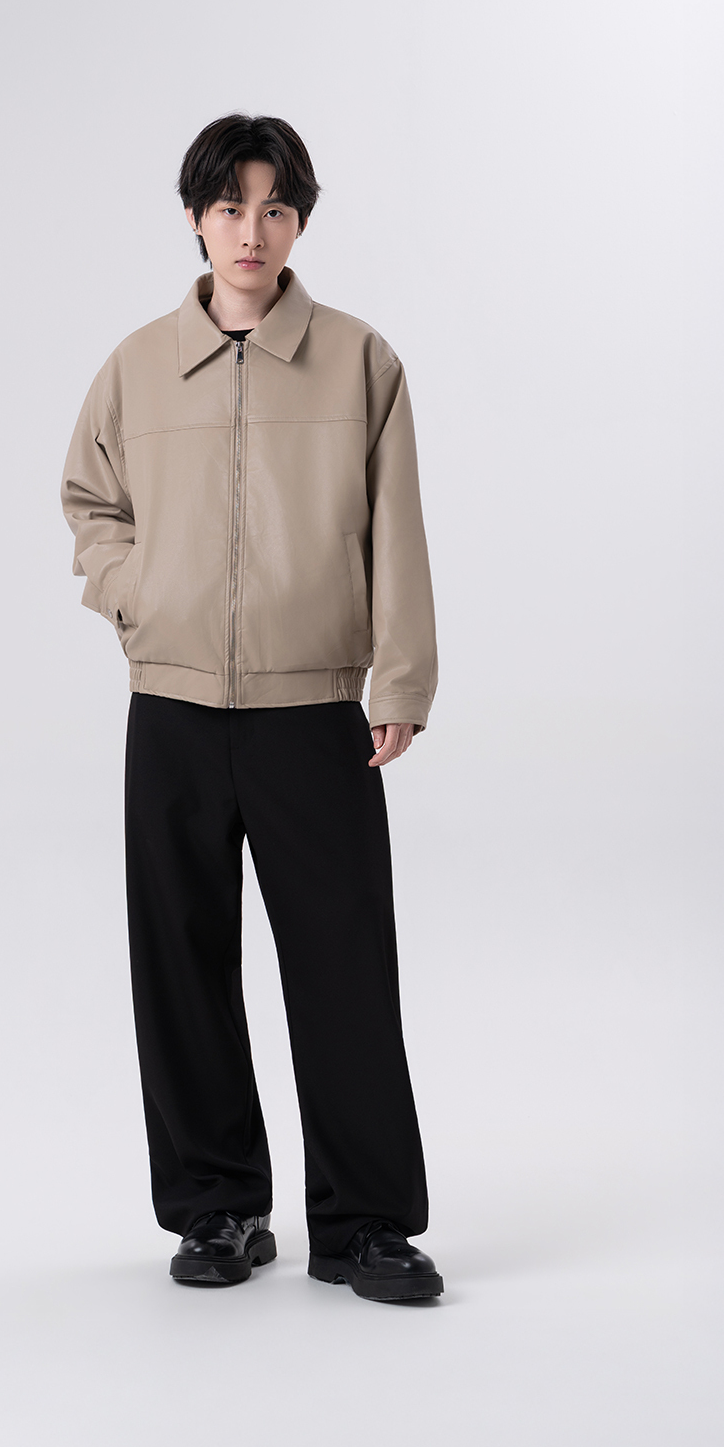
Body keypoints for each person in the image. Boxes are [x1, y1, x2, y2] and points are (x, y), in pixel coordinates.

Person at [60, 113, 442, 1302]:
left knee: (343, 966)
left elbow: (397, 528)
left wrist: (401, 678)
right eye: (230, 207)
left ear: (300, 222)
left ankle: (366, 1224)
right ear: (195, 217)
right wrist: (140, 597)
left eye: (275, 208)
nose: (251, 231)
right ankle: (216, 1210)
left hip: (312, 707)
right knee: (178, 964)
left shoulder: (359, 361)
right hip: (171, 708)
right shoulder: (137, 366)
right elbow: (90, 503)